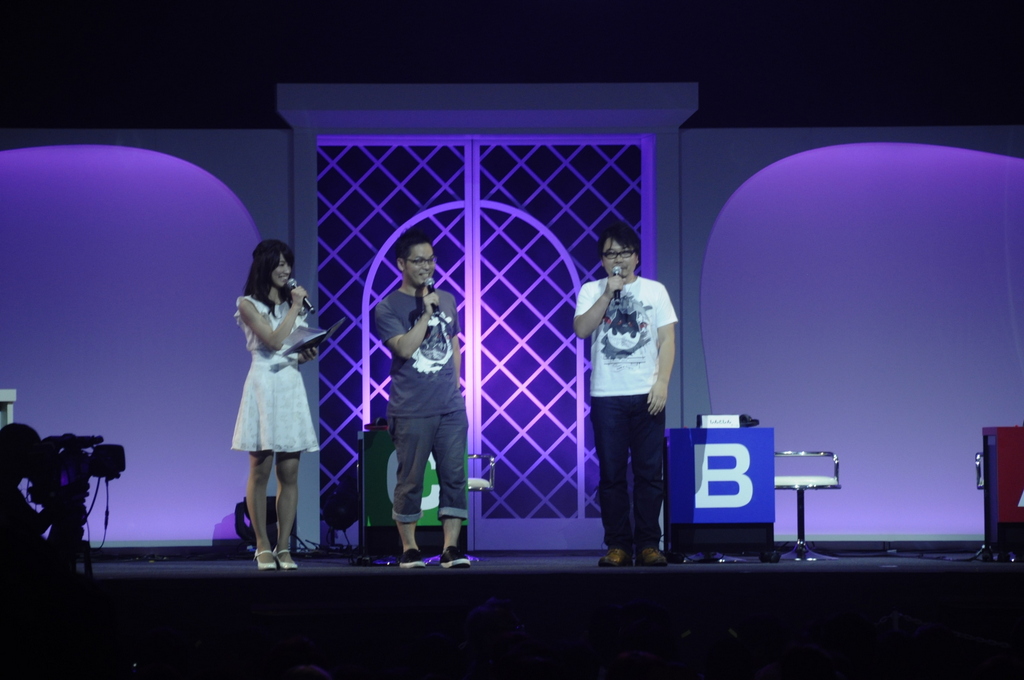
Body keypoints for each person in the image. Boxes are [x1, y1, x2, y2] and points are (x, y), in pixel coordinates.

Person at [573, 222, 677, 567]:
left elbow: (668, 340)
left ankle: (648, 544)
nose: (617, 259)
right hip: (608, 396)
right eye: (610, 254)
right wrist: (607, 294)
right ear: (602, 260)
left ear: (636, 256)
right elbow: (581, 329)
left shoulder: (655, 291)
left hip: (647, 394)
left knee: (649, 474)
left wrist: (662, 382)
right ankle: (617, 545)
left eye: (624, 252)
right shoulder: (592, 290)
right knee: (612, 475)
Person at [374, 227, 470, 568]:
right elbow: (403, 348)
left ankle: (451, 548)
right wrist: (426, 315)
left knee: (454, 477)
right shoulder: (387, 307)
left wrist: (455, 386)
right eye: (418, 261)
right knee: (411, 479)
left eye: (430, 260)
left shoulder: (447, 299)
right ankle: (410, 548)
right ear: (401, 263)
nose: (426, 267)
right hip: (411, 408)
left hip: (450, 407)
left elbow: (454, 344)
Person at [232, 239, 320, 571]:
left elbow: (291, 345)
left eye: (288, 264)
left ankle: (284, 547)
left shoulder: (291, 304)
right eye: (280, 264)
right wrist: (295, 307)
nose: (286, 270)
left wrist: (307, 351)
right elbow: (271, 340)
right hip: (264, 386)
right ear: (265, 266)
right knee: (261, 470)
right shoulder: (248, 304)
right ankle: (262, 545)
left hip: (289, 385)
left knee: (290, 472)